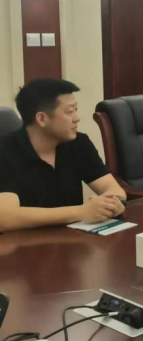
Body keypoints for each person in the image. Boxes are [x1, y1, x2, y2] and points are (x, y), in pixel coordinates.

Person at [0, 78, 126, 233]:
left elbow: (111, 188)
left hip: (73, 239)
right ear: (42, 118)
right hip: (24, 243)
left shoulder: (78, 143)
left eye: (76, 110)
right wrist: (80, 212)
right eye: (70, 111)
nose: (77, 118)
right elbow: (5, 217)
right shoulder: (5, 151)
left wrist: (114, 202)